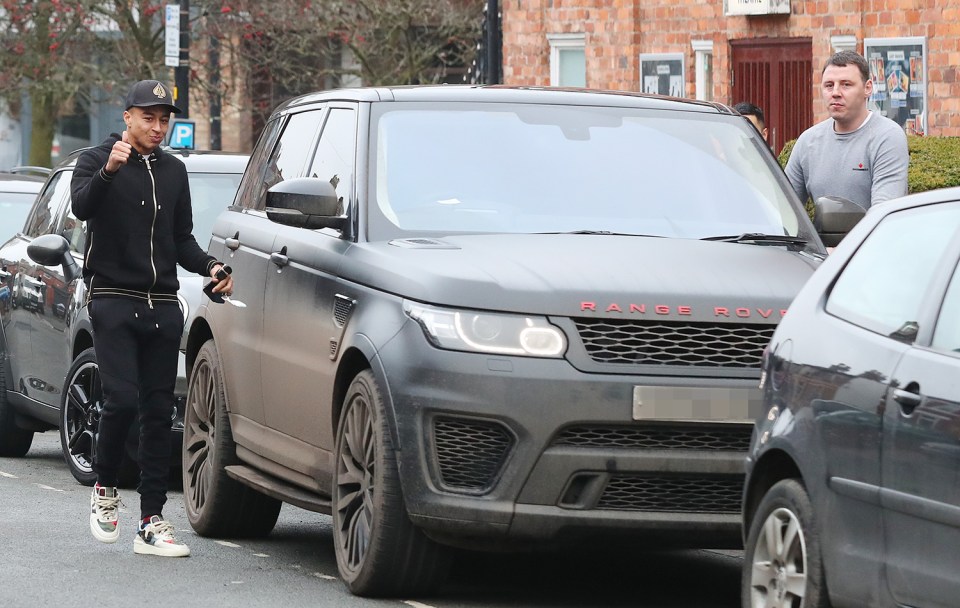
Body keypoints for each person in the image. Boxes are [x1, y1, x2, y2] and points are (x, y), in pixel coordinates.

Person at [70, 79, 234, 557]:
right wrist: (109, 171)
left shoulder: (174, 171)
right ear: (127, 117)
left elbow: (181, 239)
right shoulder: (95, 159)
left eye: (165, 119)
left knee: (159, 413)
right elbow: (82, 207)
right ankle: (104, 490)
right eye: (149, 118)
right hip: (113, 299)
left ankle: (152, 520)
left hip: (162, 305)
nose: (159, 127)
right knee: (120, 400)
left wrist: (212, 266)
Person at [785, 50, 909, 211]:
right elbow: (782, 209)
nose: (835, 93)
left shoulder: (887, 136)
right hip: (821, 237)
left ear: (868, 88)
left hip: (872, 236)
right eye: (829, 85)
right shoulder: (808, 141)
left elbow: (883, 213)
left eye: (846, 84)